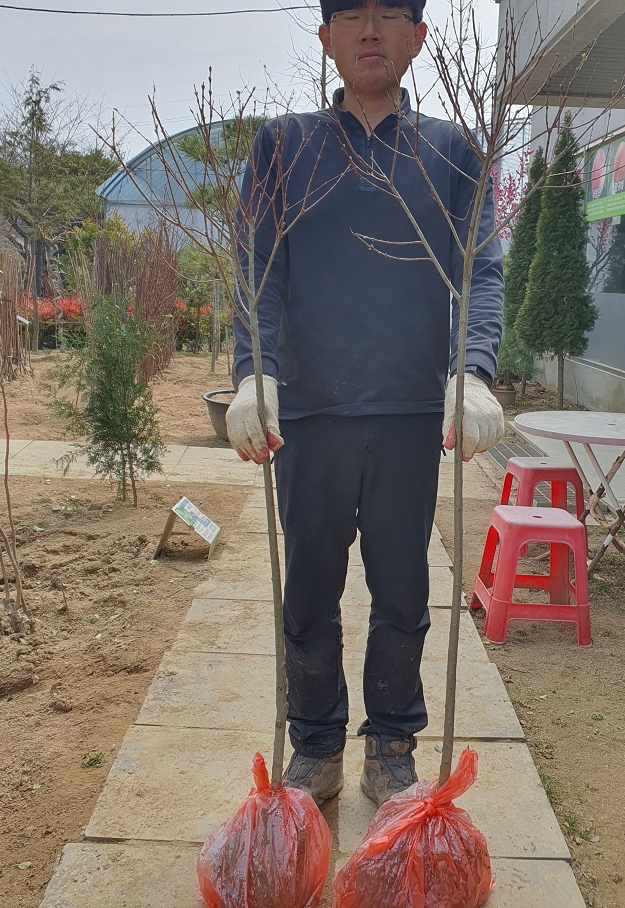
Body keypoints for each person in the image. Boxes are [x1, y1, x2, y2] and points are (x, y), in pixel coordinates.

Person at [226, 0, 505, 808]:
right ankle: (315, 744)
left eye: (389, 15)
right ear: (326, 39)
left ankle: (391, 742)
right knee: (309, 589)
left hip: (410, 413)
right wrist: (253, 373)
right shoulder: (284, 145)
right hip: (307, 415)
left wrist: (472, 370)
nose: (371, 32)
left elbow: (479, 270)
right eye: (351, 17)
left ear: (419, 37)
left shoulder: (451, 151)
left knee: (403, 589)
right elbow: (257, 265)